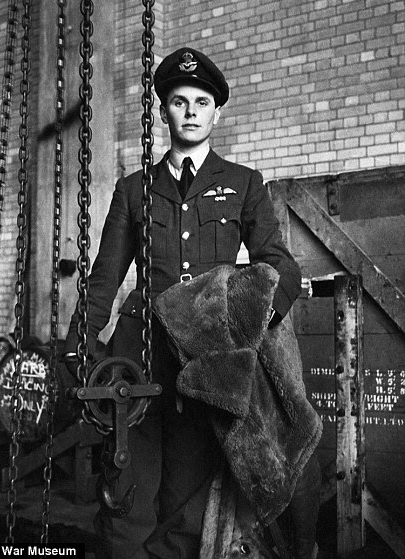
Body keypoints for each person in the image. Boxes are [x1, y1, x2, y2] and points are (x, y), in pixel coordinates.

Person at [63, 47, 320, 559]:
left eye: (202, 102)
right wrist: (76, 347)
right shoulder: (135, 190)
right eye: (179, 102)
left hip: (204, 363)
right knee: (125, 496)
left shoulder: (243, 183)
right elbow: (105, 279)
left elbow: (282, 266)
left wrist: (251, 321)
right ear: (164, 112)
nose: (191, 111)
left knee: (186, 505)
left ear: (217, 112)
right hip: (135, 361)